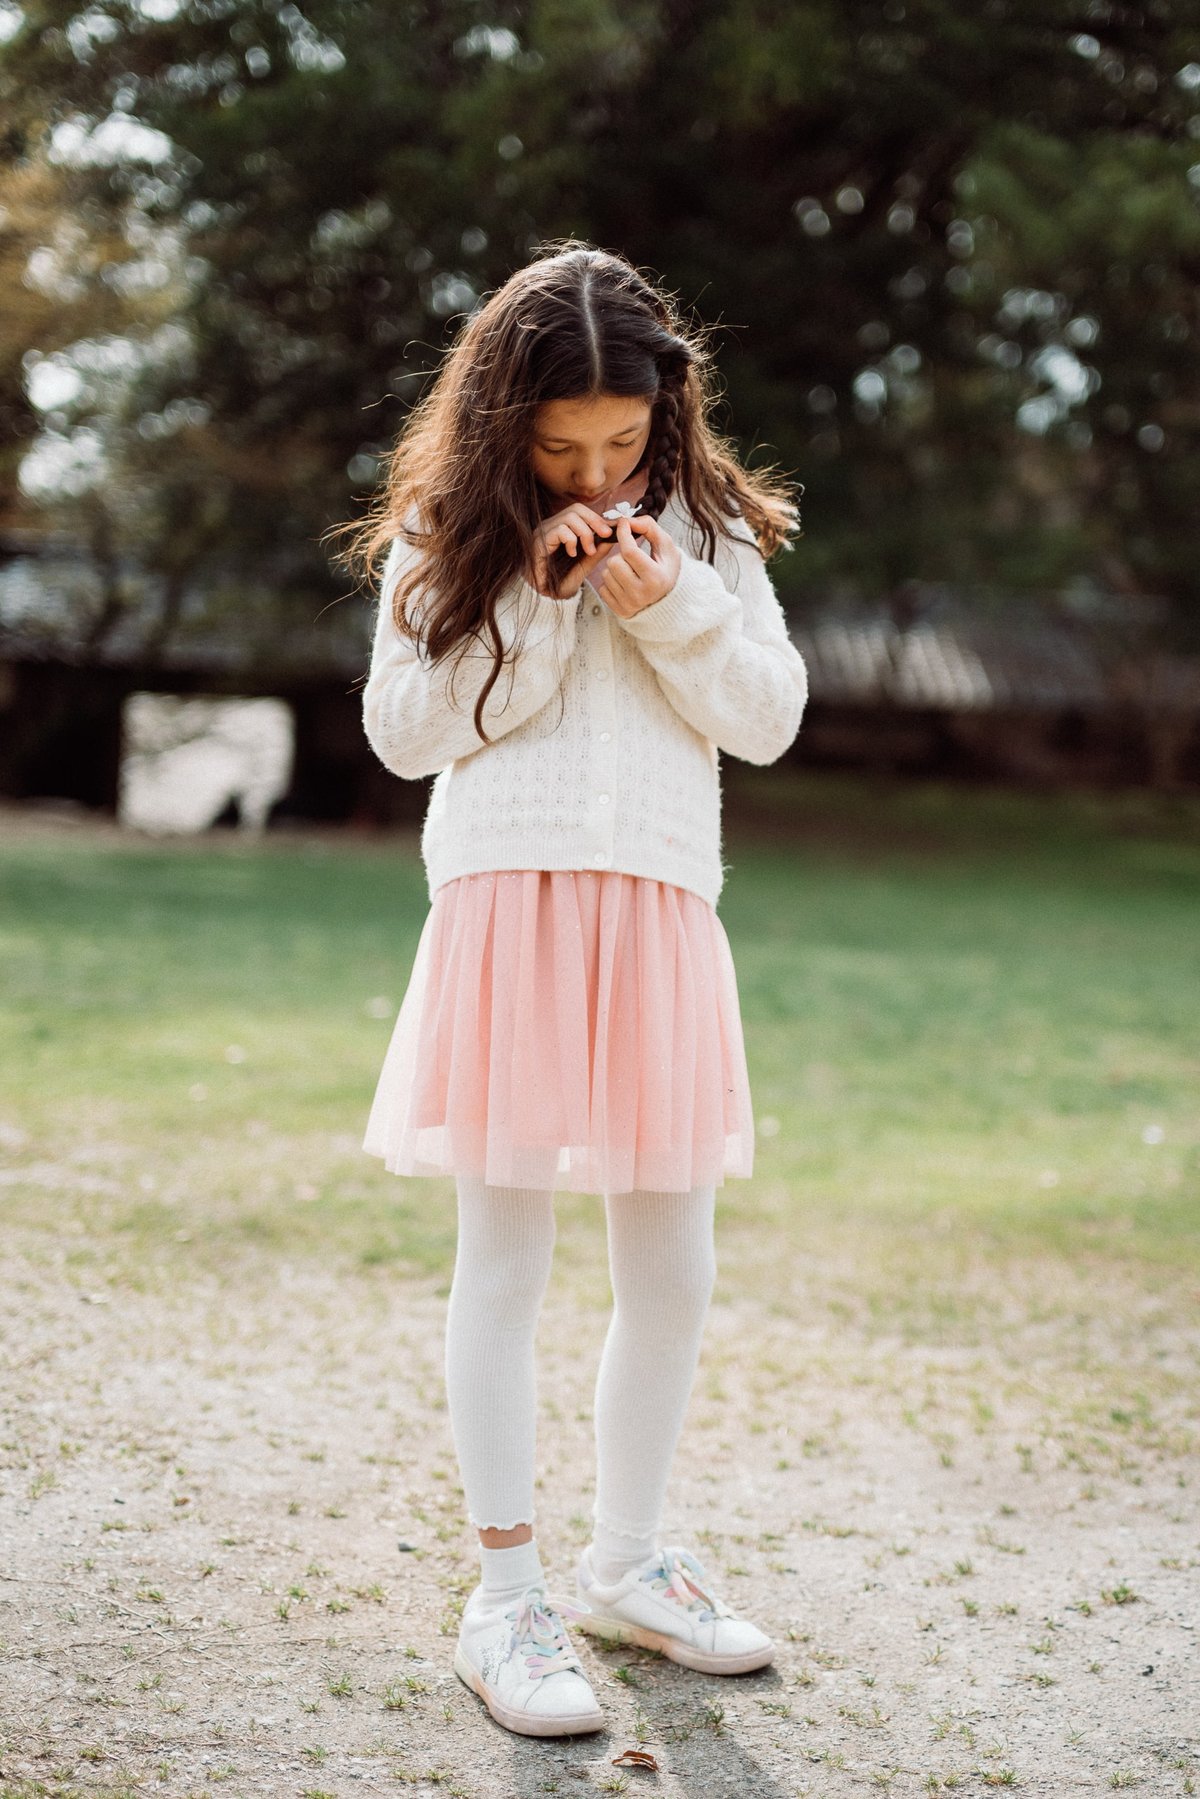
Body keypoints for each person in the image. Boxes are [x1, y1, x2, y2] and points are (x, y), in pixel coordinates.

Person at [339, 242, 808, 1738]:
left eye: (621, 442)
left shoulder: (711, 527)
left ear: (665, 416)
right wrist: (536, 606)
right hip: (507, 907)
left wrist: (671, 604)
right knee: (509, 1263)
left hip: (665, 908)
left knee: (674, 1268)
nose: (595, 469)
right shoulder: (447, 527)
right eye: (561, 447)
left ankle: (628, 1562)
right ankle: (507, 1596)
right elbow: (408, 734)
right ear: (503, 428)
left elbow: (770, 717)